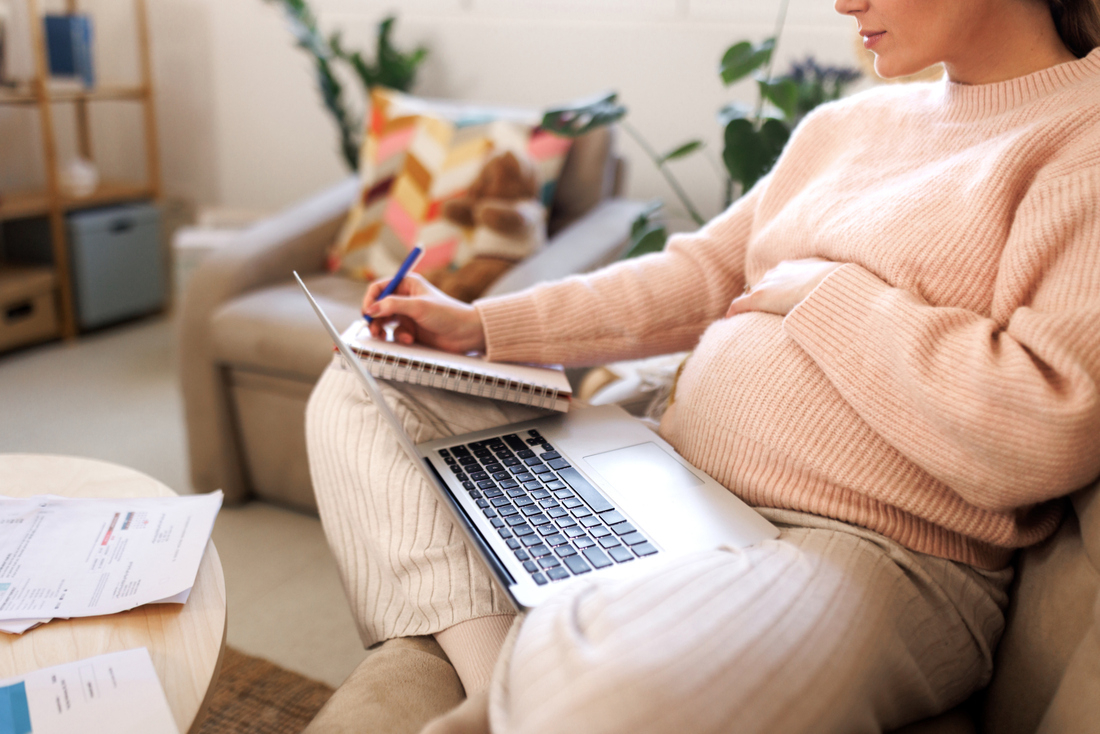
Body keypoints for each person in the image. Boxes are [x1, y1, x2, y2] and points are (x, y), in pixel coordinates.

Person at [305, 0, 1100, 731]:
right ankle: (496, 694)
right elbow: (699, 274)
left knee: (604, 691)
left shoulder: (1081, 138)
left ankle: (532, 686)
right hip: (670, 480)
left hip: (865, 549)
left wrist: (829, 291)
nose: (843, 1)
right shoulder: (847, 125)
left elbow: (1047, 426)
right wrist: (478, 327)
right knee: (368, 382)